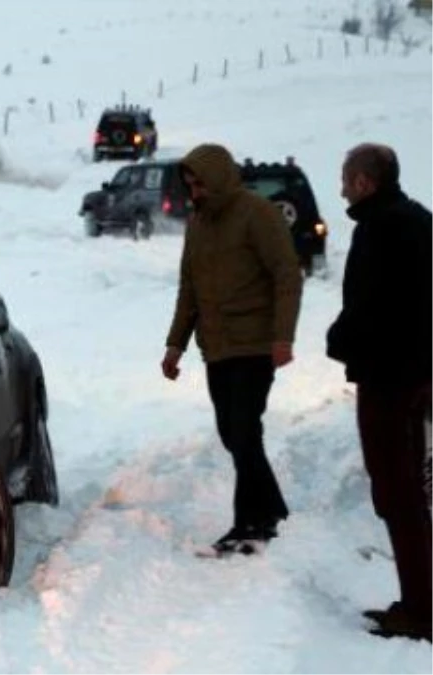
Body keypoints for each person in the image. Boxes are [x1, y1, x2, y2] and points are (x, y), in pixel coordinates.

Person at [161, 143, 303, 556]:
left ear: (219, 177)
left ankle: (250, 524)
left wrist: (283, 336)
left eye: (200, 182)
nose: (195, 190)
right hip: (217, 347)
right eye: (189, 184)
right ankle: (272, 507)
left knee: (243, 429)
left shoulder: (257, 214)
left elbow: (286, 275)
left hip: (255, 343)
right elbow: (188, 289)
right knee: (233, 434)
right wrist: (175, 346)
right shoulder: (198, 223)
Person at [326, 143, 433, 642]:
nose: (342, 188)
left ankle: (421, 609)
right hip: (414, 377)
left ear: (365, 182)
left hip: (391, 379)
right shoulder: (416, 219)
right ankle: (422, 599)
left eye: (346, 179)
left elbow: (373, 310)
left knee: (398, 491)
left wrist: (339, 341)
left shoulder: (382, 229)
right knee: (409, 489)